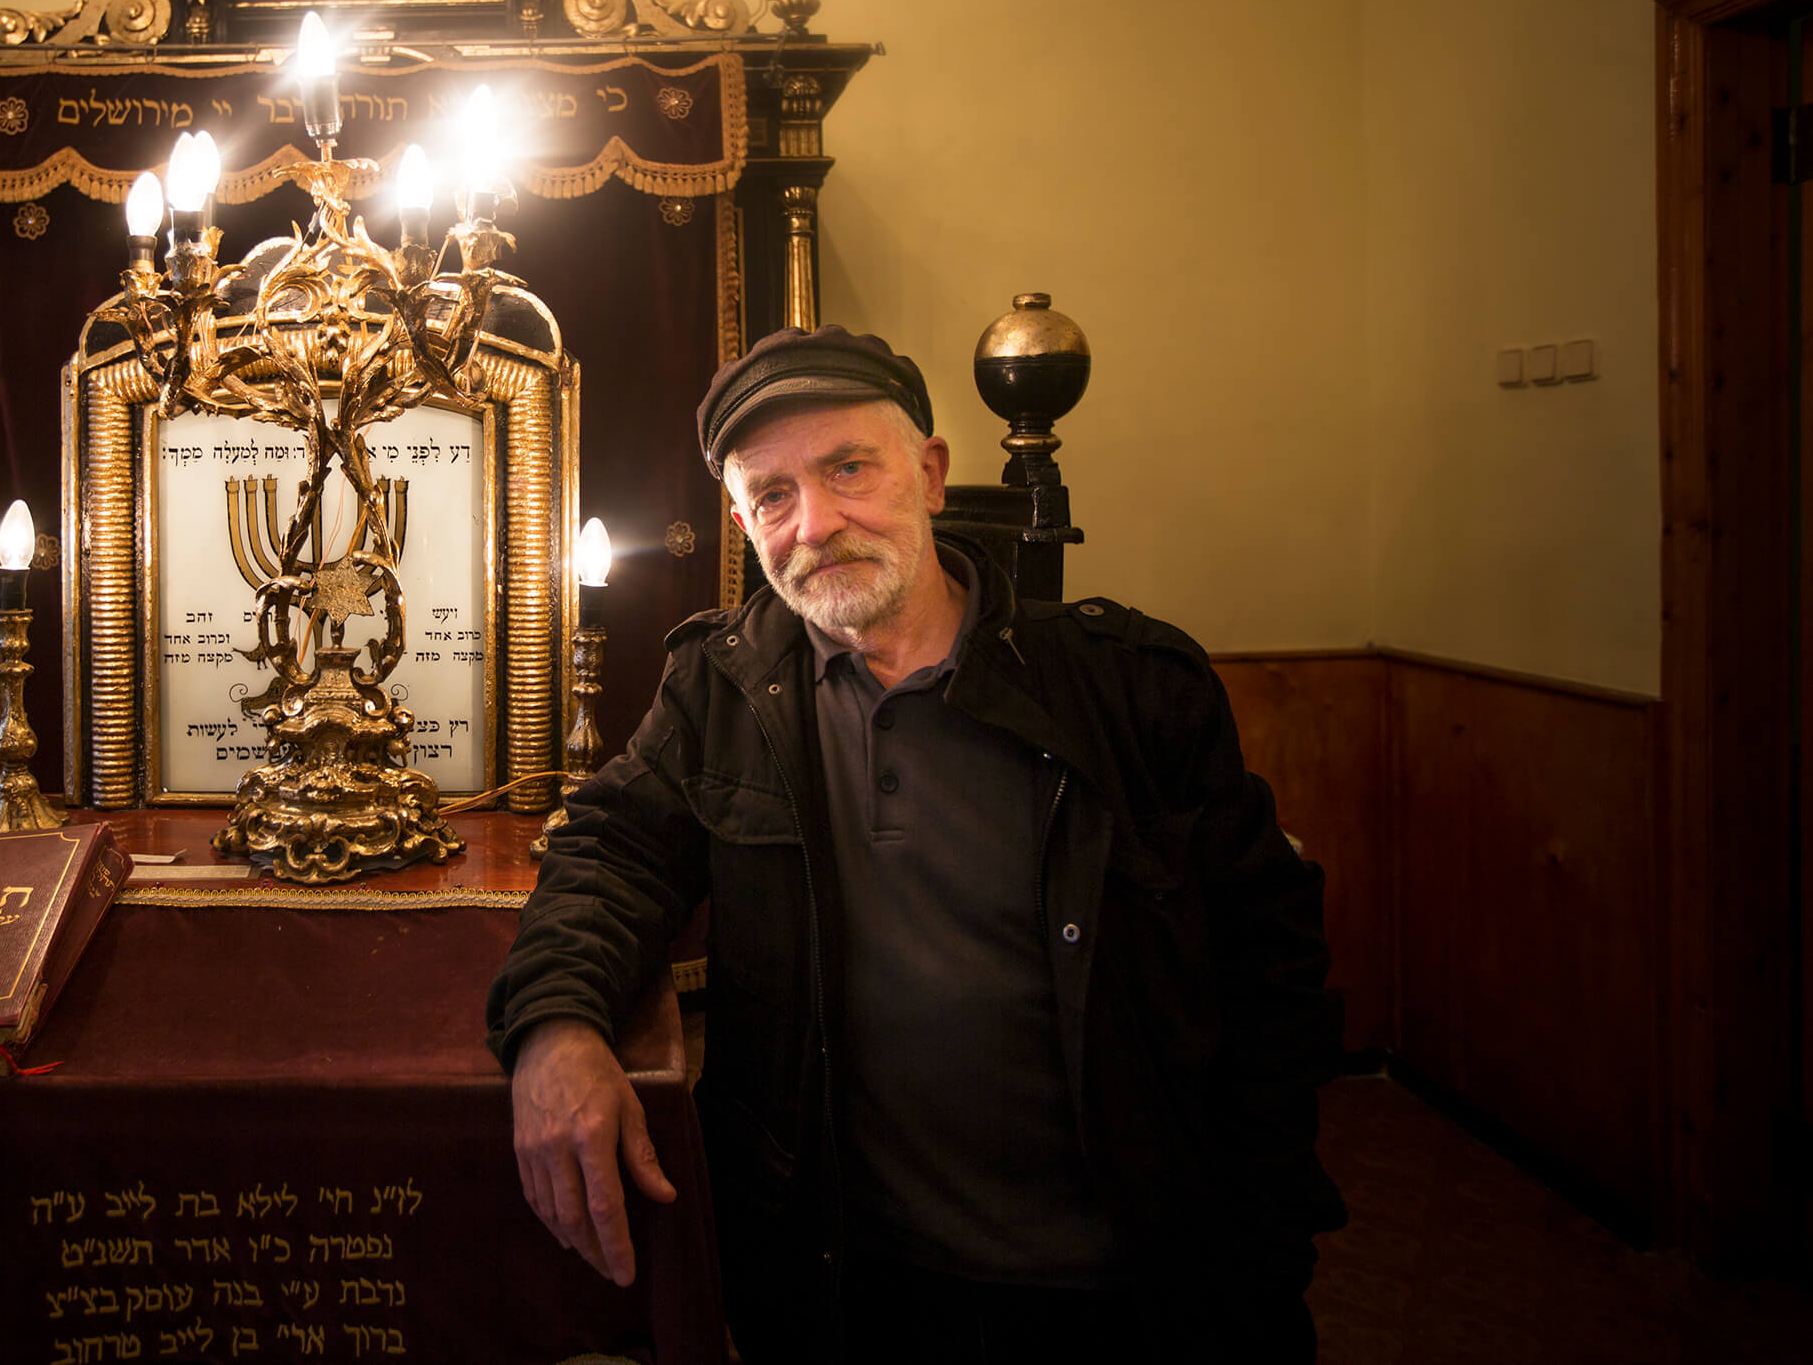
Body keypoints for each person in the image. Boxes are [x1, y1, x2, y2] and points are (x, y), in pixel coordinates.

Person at [486, 326, 1345, 1363]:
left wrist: (1257, 1238)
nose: (816, 524)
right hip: (848, 1287)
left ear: (931, 475)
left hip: (1137, 1286)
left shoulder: (1128, 690)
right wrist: (554, 1023)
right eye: (772, 495)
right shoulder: (719, 689)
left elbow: (1273, 971)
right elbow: (610, 851)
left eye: (849, 468)